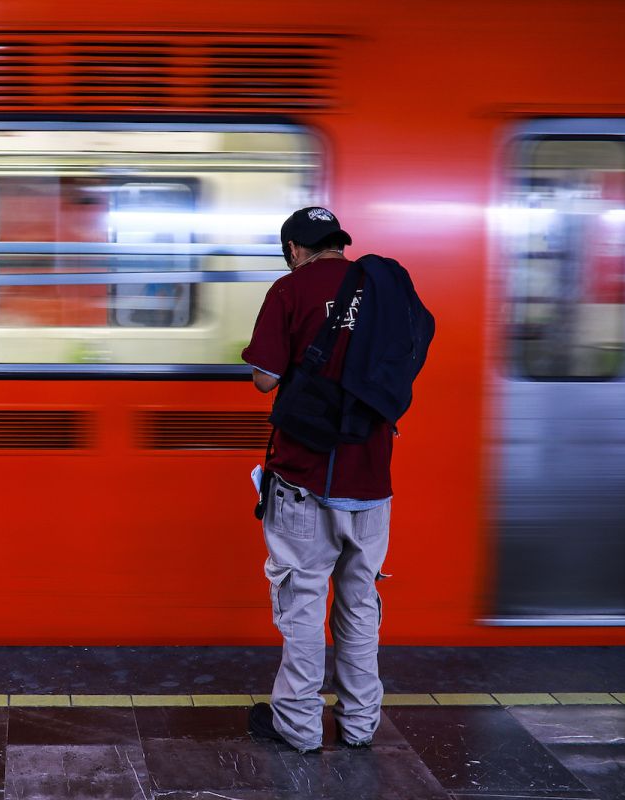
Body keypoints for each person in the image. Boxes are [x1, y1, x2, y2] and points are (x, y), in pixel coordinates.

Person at [240, 207, 394, 754]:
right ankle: (360, 726)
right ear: (337, 244)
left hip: (306, 475)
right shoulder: (380, 289)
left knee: (302, 605)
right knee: (359, 605)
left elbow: (264, 380)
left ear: (294, 249)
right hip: (374, 480)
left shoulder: (290, 289)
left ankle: (299, 728)